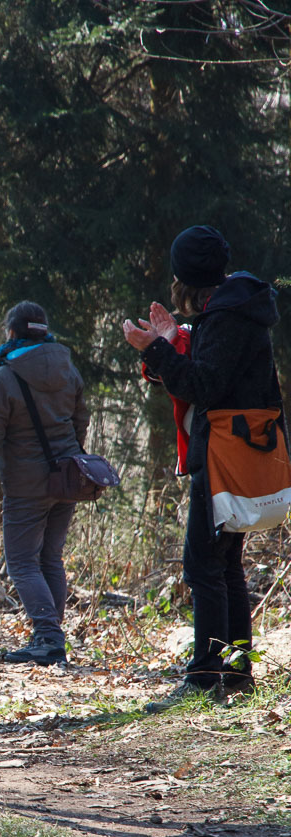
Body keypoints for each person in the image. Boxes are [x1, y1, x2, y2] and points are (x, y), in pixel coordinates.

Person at [123, 225, 285, 711]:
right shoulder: (237, 307)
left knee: (203, 567)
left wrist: (154, 349)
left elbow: (203, 386)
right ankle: (235, 674)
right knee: (225, 565)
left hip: (222, 455)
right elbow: (210, 374)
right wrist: (172, 341)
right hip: (235, 450)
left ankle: (205, 677)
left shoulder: (227, 317)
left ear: (187, 280)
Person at [0, 301, 90, 667]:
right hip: (67, 478)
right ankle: (48, 636)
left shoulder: (5, 378)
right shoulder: (69, 369)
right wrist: (67, 463)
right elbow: (80, 422)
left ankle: (48, 637)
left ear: (12, 333)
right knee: (50, 557)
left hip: (25, 486)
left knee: (22, 561)